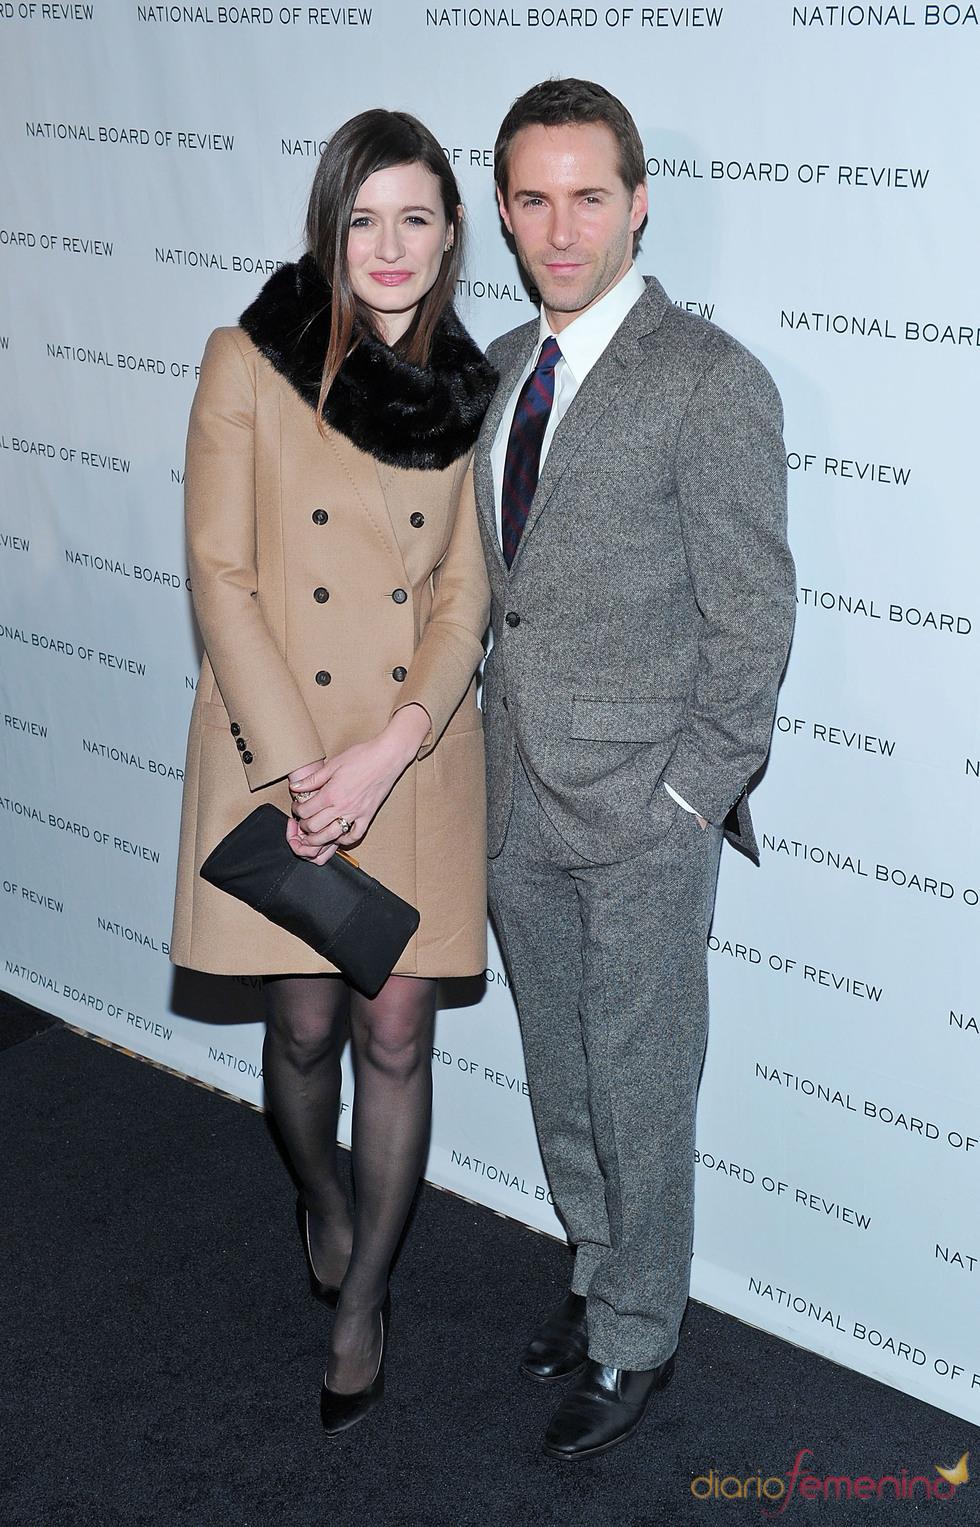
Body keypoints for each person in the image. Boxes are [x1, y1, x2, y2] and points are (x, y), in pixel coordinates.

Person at [474, 79, 796, 1460]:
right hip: (509, 795)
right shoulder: (491, 370)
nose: (562, 227)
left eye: (588, 196)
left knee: (642, 1077)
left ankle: (638, 1337)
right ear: (502, 208)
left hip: (644, 807)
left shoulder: (712, 382)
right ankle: (597, 1272)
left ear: (638, 201)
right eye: (534, 198)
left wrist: (691, 795)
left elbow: (754, 620)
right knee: (561, 1069)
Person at [170, 109, 496, 1435]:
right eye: (364, 217)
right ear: (328, 227)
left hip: (411, 757)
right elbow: (223, 573)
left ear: (450, 234)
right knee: (303, 1027)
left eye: (416, 216)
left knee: (397, 1030)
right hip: (284, 752)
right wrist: (309, 776)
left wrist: (390, 748)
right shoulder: (249, 362)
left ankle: (364, 1298)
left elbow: (465, 599)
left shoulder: (470, 389)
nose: (390, 243)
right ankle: (319, 1188)